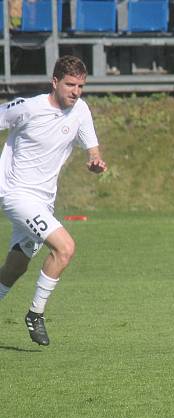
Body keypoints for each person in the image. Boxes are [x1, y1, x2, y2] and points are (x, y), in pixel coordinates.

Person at [0, 55, 108, 346]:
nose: (76, 91)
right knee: (65, 248)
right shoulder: (27, 108)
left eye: (81, 86)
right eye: (70, 84)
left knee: (17, 266)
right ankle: (35, 314)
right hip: (15, 194)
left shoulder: (80, 110)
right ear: (55, 82)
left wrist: (96, 161)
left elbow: (92, 149)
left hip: (43, 201)